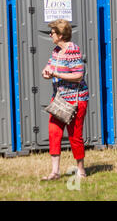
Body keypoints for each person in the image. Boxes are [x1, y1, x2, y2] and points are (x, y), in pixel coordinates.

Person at [41, 19, 89, 180]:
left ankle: (81, 170)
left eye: (53, 32)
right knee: (54, 132)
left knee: (75, 135)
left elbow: (78, 75)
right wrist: (47, 72)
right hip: (59, 99)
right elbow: (49, 67)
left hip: (76, 100)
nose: (50, 35)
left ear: (61, 35)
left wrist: (56, 74)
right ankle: (55, 172)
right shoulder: (56, 51)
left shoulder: (73, 50)